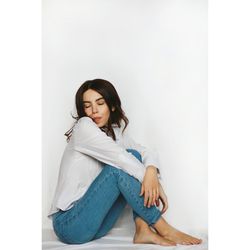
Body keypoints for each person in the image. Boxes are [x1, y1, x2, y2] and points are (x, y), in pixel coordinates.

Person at [48, 79, 202, 246]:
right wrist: (155, 185)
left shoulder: (114, 132)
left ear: (112, 106)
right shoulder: (84, 127)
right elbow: (120, 159)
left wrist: (151, 171)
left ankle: (142, 229)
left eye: (100, 103)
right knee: (119, 168)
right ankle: (163, 228)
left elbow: (144, 153)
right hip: (70, 225)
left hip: (97, 225)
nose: (93, 111)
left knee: (133, 155)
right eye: (87, 105)